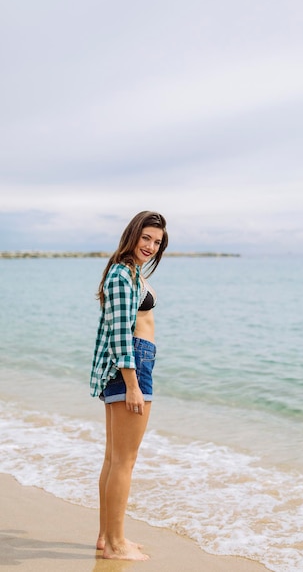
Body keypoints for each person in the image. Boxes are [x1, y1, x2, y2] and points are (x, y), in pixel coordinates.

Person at [90, 211, 168, 561]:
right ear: (133, 235)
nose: (151, 245)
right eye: (146, 238)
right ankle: (117, 544)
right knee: (125, 460)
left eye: (157, 240)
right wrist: (132, 383)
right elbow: (121, 334)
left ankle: (107, 536)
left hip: (133, 361)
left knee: (114, 458)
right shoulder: (122, 273)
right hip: (132, 362)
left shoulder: (128, 272)